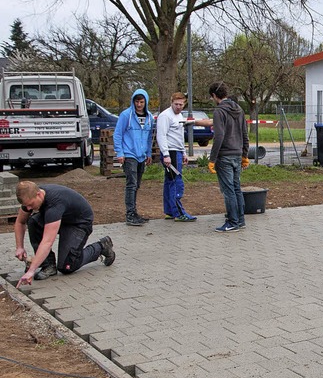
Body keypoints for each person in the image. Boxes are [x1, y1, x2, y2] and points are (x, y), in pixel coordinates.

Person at [13, 181, 115, 288]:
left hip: (79, 223)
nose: (28, 209)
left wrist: (31, 270)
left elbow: (47, 242)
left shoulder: (54, 204)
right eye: (26, 205)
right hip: (63, 219)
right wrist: (19, 247)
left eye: (31, 204)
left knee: (67, 266)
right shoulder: (30, 195)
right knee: (33, 222)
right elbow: (20, 222)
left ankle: (102, 246)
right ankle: (48, 265)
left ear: (39, 194)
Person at [193, 82, 249, 232]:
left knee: (228, 189)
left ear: (213, 96)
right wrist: (244, 154)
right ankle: (240, 219)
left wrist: (212, 159)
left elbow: (219, 136)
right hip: (237, 154)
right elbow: (245, 133)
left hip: (224, 156)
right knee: (236, 188)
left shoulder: (219, 111)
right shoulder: (239, 109)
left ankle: (232, 221)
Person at [113, 89, 154, 226]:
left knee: (137, 185)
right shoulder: (126, 115)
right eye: (137, 101)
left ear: (145, 102)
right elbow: (118, 134)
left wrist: (148, 153)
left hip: (141, 155)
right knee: (131, 184)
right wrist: (120, 153)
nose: (139, 105)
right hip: (129, 154)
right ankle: (129, 214)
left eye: (141, 102)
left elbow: (149, 137)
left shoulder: (149, 118)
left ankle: (134, 212)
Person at [156, 92, 197, 221]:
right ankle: (179, 213)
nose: (178, 107)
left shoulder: (179, 116)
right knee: (176, 182)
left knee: (169, 181)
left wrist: (184, 152)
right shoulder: (165, 116)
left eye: (181, 104)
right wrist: (166, 154)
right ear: (171, 102)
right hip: (170, 152)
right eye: (176, 104)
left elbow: (179, 136)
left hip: (177, 151)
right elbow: (161, 136)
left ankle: (170, 210)